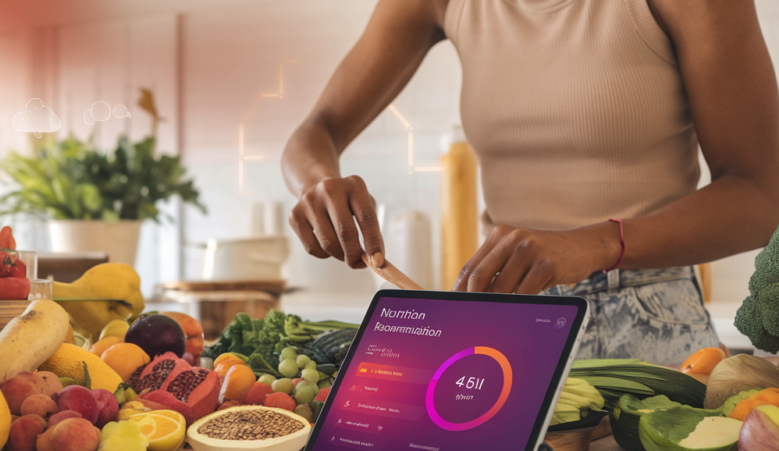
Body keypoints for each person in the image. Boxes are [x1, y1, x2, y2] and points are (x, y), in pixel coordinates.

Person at [281, 0, 779, 365]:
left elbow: (762, 195)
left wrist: (598, 242)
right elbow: (314, 131)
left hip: (650, 327)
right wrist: (318, 183)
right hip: (506, 325)